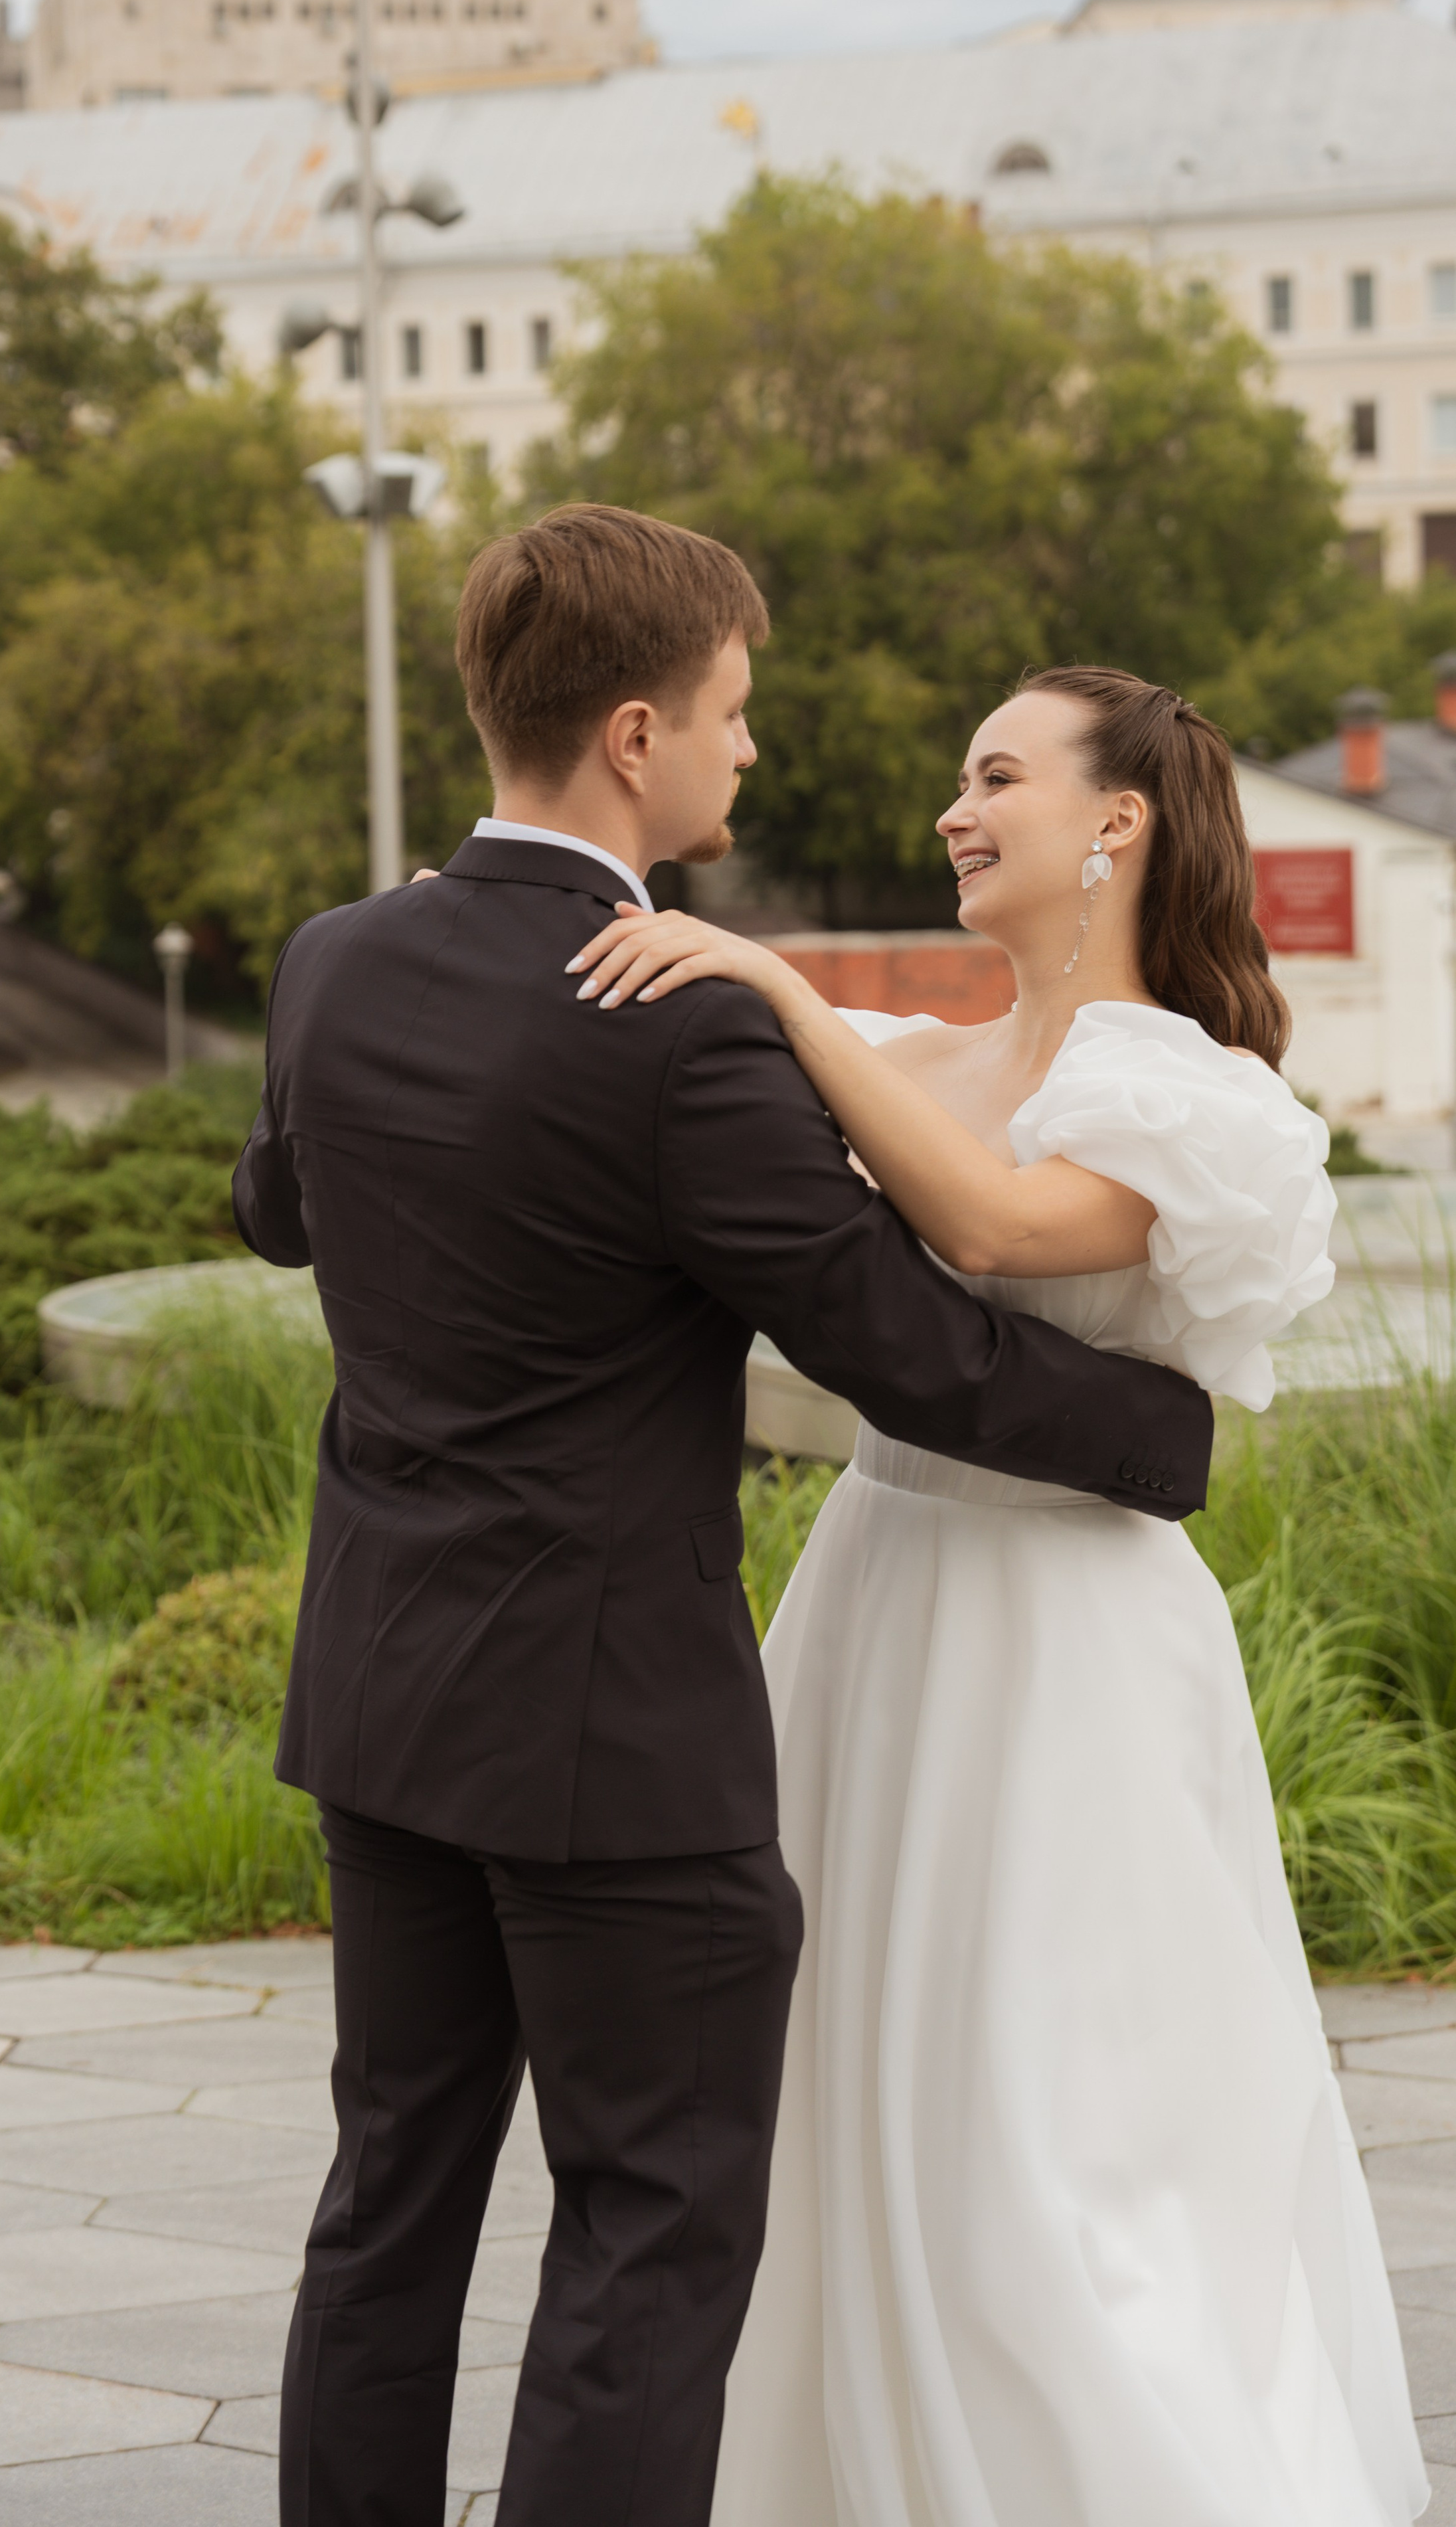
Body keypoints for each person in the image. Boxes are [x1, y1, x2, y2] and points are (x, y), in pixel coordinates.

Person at [232, 510, 1214, 2527]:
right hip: (607, 1741)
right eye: (731, 714)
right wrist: (1168, 1434)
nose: (747, 752)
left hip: (385, 1702)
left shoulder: (341, 957)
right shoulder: (673, 1021)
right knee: (651, 2227)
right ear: (628, 736)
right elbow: (908, 1352)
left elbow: (281, 1210)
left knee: (387, 2204)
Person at [564, 663, 1428, 2527]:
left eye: (998, 776)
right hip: (877, 1602)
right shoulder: (912, 1047)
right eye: (963, 777)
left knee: (1057, 2122)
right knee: (838, 2100)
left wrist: (778, 986)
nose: (956, 809)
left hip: (1069, 1647)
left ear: (1115, 823)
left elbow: (997, 1229)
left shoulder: (1185, 1093)